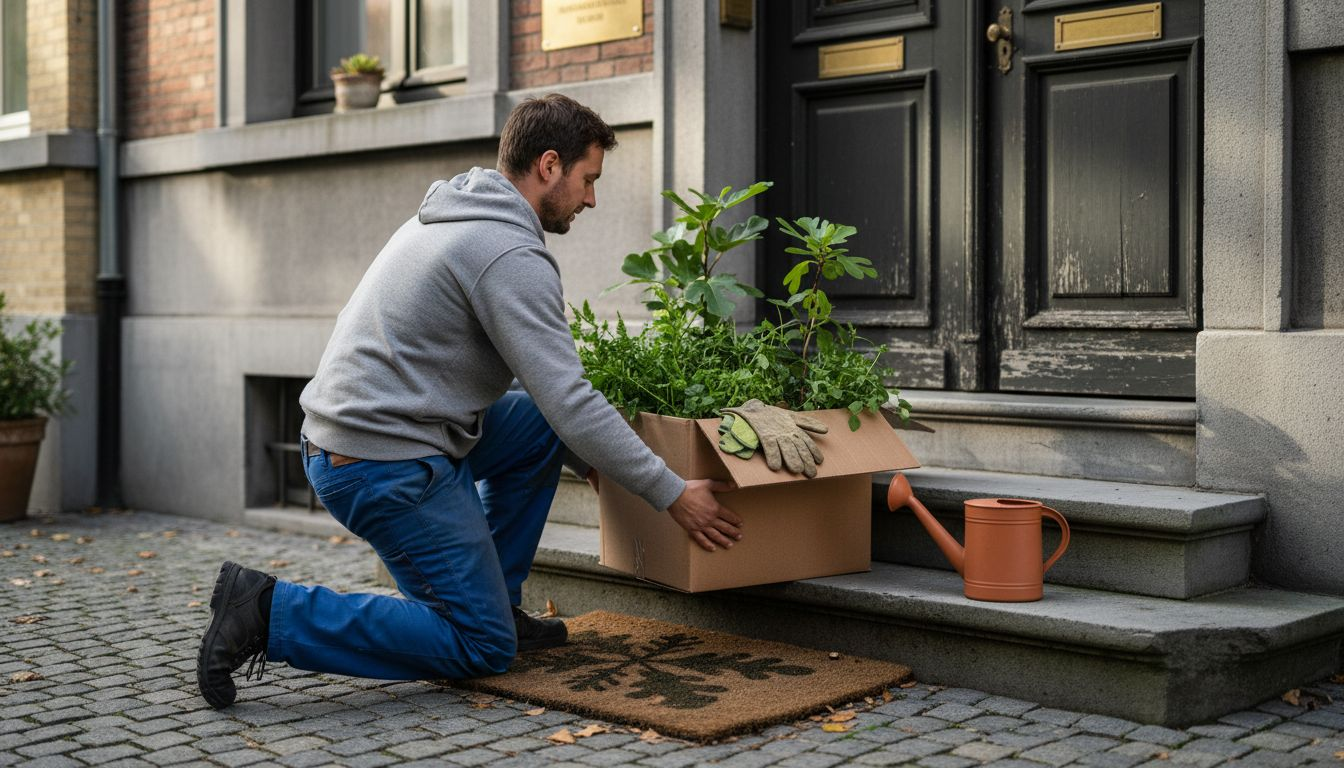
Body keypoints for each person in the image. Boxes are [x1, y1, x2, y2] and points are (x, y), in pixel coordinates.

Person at [196, 94, 744, 709]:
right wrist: (670, 491)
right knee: (480, 646)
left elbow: (545, 404)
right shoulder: (506, 251)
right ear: (549, 165)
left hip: (376, 436)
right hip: (380, 464)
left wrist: (594, 462)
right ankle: (269, 611)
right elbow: (570, 397)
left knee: (538, 426)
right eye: (589, 180)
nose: (592, 198)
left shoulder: (457, 214)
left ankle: (496, 606)